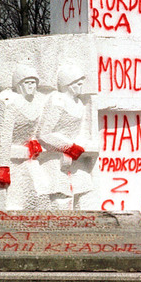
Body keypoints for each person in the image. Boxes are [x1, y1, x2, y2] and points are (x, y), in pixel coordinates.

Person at [0, 63, 48, 210]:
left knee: (39, 190)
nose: (31, 86)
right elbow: (2, 134)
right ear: (18, 84)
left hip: (25, 155)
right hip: (6, 156)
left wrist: (33, 141)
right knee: (8, 199)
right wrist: (2, 165)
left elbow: (33, 129)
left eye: (33, 83)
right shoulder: (9, 101)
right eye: (27, 82)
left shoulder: (37, 103)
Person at [37, 63, 98, 209]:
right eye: (78, 83)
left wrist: (84, 145)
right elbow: (44, 133)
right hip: (55, 158)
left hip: (75, 157)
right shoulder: (57, 100)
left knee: (85, 194)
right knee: (61, 199)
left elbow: (78, 132)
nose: (81, 86)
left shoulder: (79, 104)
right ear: (68, 84)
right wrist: (68, 147)